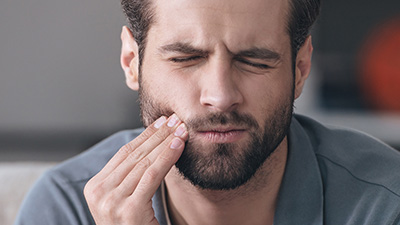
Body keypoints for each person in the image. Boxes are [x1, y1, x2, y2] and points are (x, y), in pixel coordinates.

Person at [14, 0, 400, 224]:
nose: (220, 96)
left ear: (300, 70)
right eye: (186, 58)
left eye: (254, 61)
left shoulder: (384, 204)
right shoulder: (64, 209)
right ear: (132, 61)